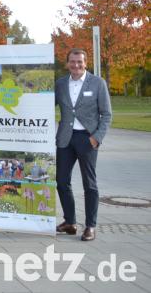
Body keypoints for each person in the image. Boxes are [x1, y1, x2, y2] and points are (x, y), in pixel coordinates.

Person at [55, 48, 112, 242]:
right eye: (72, 61)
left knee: (90, 184)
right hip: (65, 139)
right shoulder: (61, 84)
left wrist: (96, 137)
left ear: (86, 63)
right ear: (67, 63)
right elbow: (46, 105)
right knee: (62, 182)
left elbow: (107, 114)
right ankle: (70, 222)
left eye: (79, 62)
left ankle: (90, 226)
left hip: (87, 139)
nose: (76, 65)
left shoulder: (97, 83)